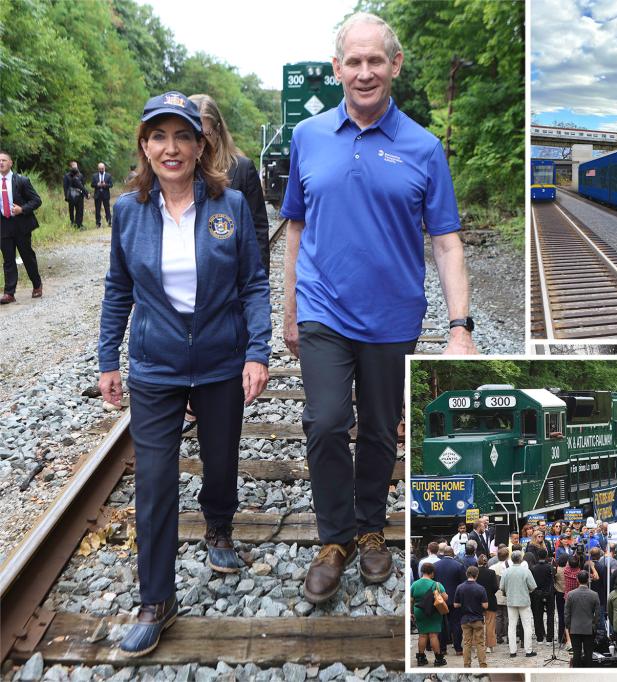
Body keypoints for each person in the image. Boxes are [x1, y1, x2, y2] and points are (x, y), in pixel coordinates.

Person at [285, 14, 478, 604]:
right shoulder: (308, 136)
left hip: (392, 318)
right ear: (338, 67)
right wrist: (289, 307)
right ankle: (334, 538)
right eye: (353, 61)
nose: (364, 72)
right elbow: (296, 225)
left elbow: (445, 241)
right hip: (323, 306)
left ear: (394, 66)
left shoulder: (423, 147)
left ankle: (371, 528)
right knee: (322, 422)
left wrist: (460, 328)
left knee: (376, 431)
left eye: (376, 61)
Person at [99, 91, 271, 656]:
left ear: (201, 146)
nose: (171, 148)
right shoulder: (128, 210)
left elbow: (252, 284)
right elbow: (118, 289)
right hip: (156, 365)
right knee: (153, 480)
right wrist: (108, 359)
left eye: (183, 136)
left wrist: (257, 350)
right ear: (144, 146)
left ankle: (218, 528)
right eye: (159, 137)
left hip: (221, 358)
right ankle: (156, 598)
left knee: (220, 460)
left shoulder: (230, 206)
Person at [190, 94, 271, 275]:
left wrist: (259, 283)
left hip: (231, 281)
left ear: (218, 131)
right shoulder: (176, 173)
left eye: (205, 134)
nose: (198, 142)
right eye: (189, 134)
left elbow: (258, 233)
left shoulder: (242, 169)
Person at [0, 150, 43, 304]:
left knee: (27, 256)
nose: (1, 162)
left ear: (10, 163)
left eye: (4, 160)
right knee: (8, 259)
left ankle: (37, 285)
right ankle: (9, 293)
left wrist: (22, 209)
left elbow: (37, 200)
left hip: (21, 224)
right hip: (3, 225)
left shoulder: (21, 181)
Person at [500, 550, 537, 657]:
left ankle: (512, 651)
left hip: (511, 600)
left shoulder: (506, 571)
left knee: (511, 626)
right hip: (524, 600)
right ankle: (528, 650)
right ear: (521, 559)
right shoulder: (526, 571)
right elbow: (533, 586)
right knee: (527, 625)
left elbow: (502, 587)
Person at [411, 562, 448, 667]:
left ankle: (421, 658)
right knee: (433, 635)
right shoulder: (436, 584)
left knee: (422, 634)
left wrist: (411, 612)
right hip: (433, 611)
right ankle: (438, 659)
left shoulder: (415, 584)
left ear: (422, 572)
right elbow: (445, 598)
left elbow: (411, 600)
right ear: (432, 572)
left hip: (419, 610)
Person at [433, 546, 467, 656]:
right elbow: (463, 584)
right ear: (452, 554)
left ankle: (443, 649)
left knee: (441, 624)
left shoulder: (436, 566)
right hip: (455, 600)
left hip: (440, 599)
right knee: (456, 624)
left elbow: (433, 583)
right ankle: (458, 648)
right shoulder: (459, 566)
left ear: (443, 554)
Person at [453, 565, 489, 668]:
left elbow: (455, 604)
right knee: (480, 643)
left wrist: (463, 604)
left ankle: (467, 664)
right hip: (477, 618)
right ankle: (482, 664)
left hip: (465, 619)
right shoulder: (480, 588)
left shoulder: (460, 587)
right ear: (477, 575)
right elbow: (485, 605)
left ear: (466, 574)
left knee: (467, 643)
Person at [565, 569, 600, 667]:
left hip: (575, 627)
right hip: (589, 628)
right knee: (589, 653)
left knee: (576, 653)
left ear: (577, 580)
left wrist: (568, 626)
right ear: (588, 579)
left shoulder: (571, 594)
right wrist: (594, 624)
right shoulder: (594, 594)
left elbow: (567, 612)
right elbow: (597, 613)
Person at [530, 548, 555, 643]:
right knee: (550, 615)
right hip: (548, 593)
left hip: (537, 593)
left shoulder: (533, 568)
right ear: (546, 556)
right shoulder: (550, 567)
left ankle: (539, 637)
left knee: (537, 616)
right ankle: (549, 638)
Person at [475, 553, 499, 653]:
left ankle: (478, 645)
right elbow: (495, 587)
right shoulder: (491, 572)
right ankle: (489, 646)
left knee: (477, 625)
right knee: (490, 625)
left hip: (477, 602)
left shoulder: (474, 572)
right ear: (486, 563)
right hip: (490, 600)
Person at [492, 547, 511, 645]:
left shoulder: (493, 568)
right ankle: (509, 637)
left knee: (498, 616)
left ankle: (499, 637)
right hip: (507, 594)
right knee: (507, 616)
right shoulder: (510, 567)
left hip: (497, 594)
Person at [63, 161, 87, 229]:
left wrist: (84, 194)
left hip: (79, 195)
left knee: (80, 210)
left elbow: (83, 185)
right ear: (70, 167)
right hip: (71, 195)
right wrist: (66, 196)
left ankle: (79, 224)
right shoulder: (66, 176)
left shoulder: (80, 175)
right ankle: (72, 222)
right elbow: (65, 187)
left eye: (76, 167)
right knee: (71, 210)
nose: (75, 168)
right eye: (74, 167)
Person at [91, 162, 113, 228]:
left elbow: (111, 185)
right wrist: (97, 185)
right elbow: (92, 185)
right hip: (97, 195)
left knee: (107, 209)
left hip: (105, 194)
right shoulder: (94, 175)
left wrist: (105, 185)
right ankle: (98, 223)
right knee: (97, 209)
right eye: (100, 169)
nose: (101, 170)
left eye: (102, 168)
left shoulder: (108, 175)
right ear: (98, 169)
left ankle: (109, 222)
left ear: (104, 168)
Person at [553, 553, 568, 645]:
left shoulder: (556, 570)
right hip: (567, 593)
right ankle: (568, 636)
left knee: (561, 615)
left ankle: (560, 637)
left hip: (559, 593)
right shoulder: (568, 570)